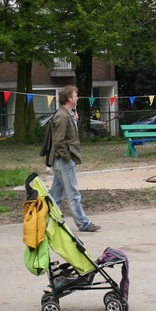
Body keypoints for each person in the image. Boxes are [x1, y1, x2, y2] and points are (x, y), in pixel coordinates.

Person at [48, 85, 101, 232]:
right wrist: (67, 158)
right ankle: (83, 223)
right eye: (75, 95)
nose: (77, 97)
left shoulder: (68, 114)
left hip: (62, 160)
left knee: (56, 196)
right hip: (63, 161)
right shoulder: (62, 116)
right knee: (73, 194)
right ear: (69, 98)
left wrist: (74, 119)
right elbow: (58, 141)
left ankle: (47, 221)